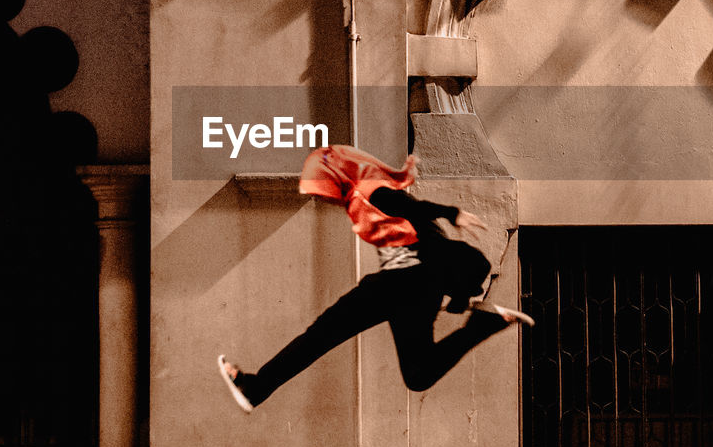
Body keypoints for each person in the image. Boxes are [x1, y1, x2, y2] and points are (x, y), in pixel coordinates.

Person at [218, 144, 532, 413]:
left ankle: (254, 389)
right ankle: (483, 326)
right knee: (418, 375)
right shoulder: (371, 199)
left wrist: (451, 212)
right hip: (416, 290)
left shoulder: (371, 191)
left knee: (319, 338)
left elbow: (412, 207)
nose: (322, 195)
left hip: (398, 286)